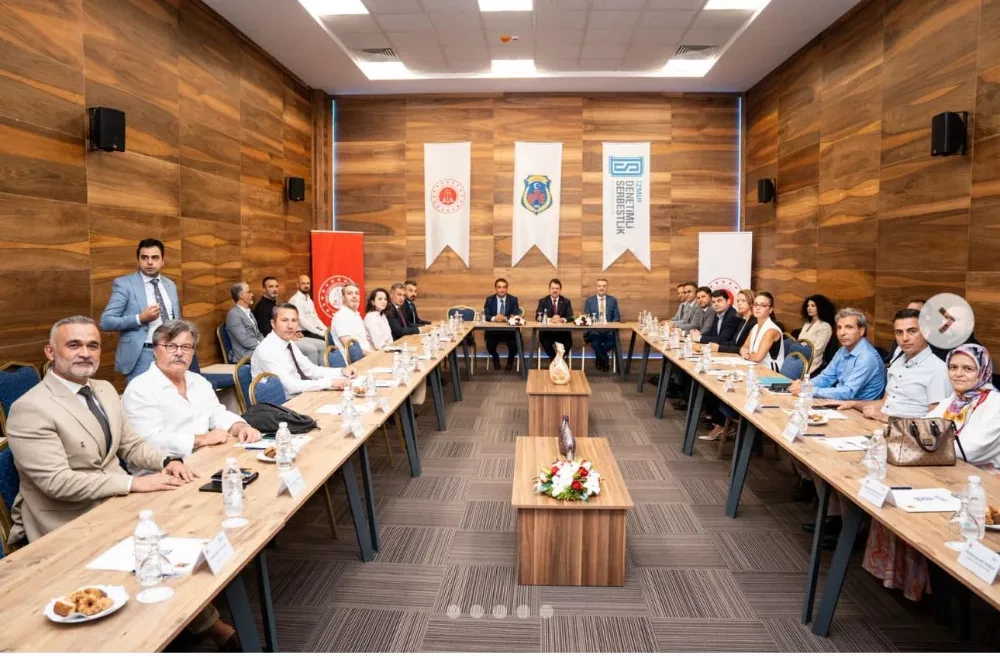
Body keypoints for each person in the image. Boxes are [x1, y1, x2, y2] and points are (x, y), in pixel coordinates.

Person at [4, 317, 237, 648]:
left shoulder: (104, 390)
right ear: (50, 352)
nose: (85, 353)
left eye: (93, 345)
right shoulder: (30, 408)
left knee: (191, 524)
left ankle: (184, 619)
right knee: (162, 544)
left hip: (117, 502)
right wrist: (132, 485)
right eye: (74, 345)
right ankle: (198, 627)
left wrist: (167, 461)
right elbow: (56, 483)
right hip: (66, 519)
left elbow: (132, 445)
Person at [863, 344, 998, 601]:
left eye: (968, 369)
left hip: (981, 483)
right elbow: (922, 428)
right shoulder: (953, 400)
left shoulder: (994, 404)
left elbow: (970, 451)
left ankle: (936, 591)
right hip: (944, 469)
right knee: (895, 495)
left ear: (983, 371)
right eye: (953, 367)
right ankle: (903, 581)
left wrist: (924, 443)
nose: (958, 374)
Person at [123, 320, 261, 461]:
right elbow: (147, 442)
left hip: (206, 457)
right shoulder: (140, 389)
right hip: (164, 467)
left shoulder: (199, 381)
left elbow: (217, 414)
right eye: (170, 346)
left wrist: (240, 427)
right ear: (155, 350)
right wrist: (201, 439)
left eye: (186, 347)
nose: (179, 353)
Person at [837, 309, 951, 422]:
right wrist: (852, 403)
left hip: (905, 432)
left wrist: (885, 418)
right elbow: (884, 403)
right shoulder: (898, 362)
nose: (905, 338)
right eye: (899, 332)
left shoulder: (938, 370)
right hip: (881, 426)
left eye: (912, 331)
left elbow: (936, 422)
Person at [99, 238, 181, 383]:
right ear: (138, 261)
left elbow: (177, 319)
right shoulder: (124, 284)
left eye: (155, 258)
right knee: (142, 396)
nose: (149, 262)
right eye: (144, 258)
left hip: (171, 353)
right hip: (142, 354)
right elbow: (106, 321)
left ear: (163, 261)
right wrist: (140, 318)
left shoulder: (170, 285)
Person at [251, 304, 357, 396]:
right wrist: (329, 383)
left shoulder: (288, 342)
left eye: (294, 320)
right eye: (284, 320)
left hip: (299, 395)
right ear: (273, 324)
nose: (290, 326)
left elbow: (311, 370)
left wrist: (341, 371)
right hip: (282, 405)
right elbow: (290, 386)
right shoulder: (267, 350)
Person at [789, 308, 885, 400]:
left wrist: (809, 390)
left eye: (849, 327)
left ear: (861, 330)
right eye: (839, 328)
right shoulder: (842, 350)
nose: (842, 333)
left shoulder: (867, 357)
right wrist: (805, 385)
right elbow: (826, 377)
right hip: (841, 402)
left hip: (859, 408)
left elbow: (848, 392)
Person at [253, 276, 325, 365]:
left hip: (289, 335)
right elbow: (266, 332)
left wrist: (293, 332)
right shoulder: (262, 308)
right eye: (271, 286)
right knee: (311, 349)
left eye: (276, 286)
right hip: (279, 341)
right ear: (264, 289)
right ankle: (311, 374)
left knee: (323, 344)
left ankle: (323, 372)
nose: (275, 289)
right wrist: (289, 335)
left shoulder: (275, 304)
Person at [740, 291, 785, 372]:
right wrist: (744, 352)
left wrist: (745, 356)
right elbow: (744, 347)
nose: (758, 308)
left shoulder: (771, 330)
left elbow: (758, 357)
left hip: (770, 371)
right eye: (755, 304)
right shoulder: (755, 327)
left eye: (763, 305)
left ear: (770, 309)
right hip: (754, 366)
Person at [583, 278, 621, 371]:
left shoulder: (613, 300)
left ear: (607, 288)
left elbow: (617, 317)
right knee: (595, 343)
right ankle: (605, 359)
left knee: (612, 343)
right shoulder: (589, 301)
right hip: (595, 331)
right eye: (599, 286)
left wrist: (610, 326)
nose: (601, 288)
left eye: (604, 286)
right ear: (596, 287)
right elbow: (586, 317)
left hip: (609, 331)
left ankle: (599, 359)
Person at [483, 278, 520, 372]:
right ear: (496, 288)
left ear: (507, 288)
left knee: (516, 343)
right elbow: (486, 315)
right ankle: (495, 357)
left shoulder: (513, 300)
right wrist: (494, 318)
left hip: (509, 332)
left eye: (504, 287)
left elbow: (516, 315)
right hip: (493, 331)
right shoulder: (489, 300)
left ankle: (510, 362)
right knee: (490, 345)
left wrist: (505, 318)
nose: (502, 290)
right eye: (499, 287)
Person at [332, 283, 375, 358]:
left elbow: (365, 342)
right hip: (356, 361)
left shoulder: (356, 315)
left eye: (357, 293)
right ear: (343, 298)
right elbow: (352, 349)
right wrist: (373, 355)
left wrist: (377, 353)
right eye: (350, 293)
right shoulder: (340, 317)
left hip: (367, 356)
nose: (354, 296)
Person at [796, 294, 835, 375]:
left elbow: (817, 350)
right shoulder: (807, 323)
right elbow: (799, 341)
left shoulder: (825, 326)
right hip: (799, 356)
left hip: (812, 361)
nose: (809, 308)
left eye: (813, 306)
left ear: (820, 307)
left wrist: (801, 350)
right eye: (808, 305)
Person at [535, 278, 574, 360]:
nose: (555, 290)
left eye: (557, 288)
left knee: (569, 343)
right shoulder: (543, 301)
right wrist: (550, 320)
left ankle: (557, 361)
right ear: (549, 289)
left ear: (560, 290)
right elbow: (538, 317)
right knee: (546, 343)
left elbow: (571, 317)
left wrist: (562, 319)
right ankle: (556, 360)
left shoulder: (566, 302)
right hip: (547, 333)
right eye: (553, 288)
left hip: (563, 333)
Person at [225, 281, 263, 362]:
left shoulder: (249, 312)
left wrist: (267, 343)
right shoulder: (233, 314)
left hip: (256, 349)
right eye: (249, 292)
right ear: (241, 295)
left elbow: (258, 334)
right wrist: (263, 346)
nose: (252, 294)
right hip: (244, 354)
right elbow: (244, 340)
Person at [288, 275, 331, 342]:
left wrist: (327, 331)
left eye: (308, 283)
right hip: (303, 332)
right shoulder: (295, 300)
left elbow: (316, 318)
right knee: (328, 341)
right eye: (303, 283)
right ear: (298, 285)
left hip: (313, 330)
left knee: (333, 338)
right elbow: (302, 322)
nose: (306, 286)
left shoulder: (309, 300)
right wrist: (321, 333)